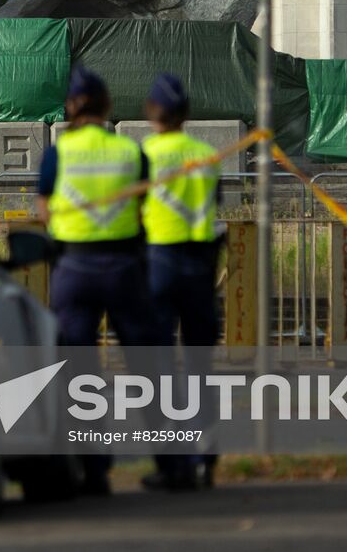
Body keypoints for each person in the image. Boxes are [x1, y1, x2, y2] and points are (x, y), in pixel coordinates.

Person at [38, 66, 152, 495]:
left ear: (70, 107)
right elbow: (143, 204)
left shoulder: (59, 153)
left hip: (74, 269)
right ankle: (175, 464)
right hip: (124, 267)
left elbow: (44, 208)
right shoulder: (129, 150)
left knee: (79, 374)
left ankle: (93, 470)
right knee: (147, 368)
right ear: (107, 107)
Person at [139, 72, 222, 492]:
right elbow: (215, 203)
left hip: (159, 261)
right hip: (201, 265)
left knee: (158, 366)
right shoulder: (205, 154)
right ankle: (203, 455)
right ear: (186, 112)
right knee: (199, 365)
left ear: (151, 112)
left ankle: (173, 462)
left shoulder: (144, 154)